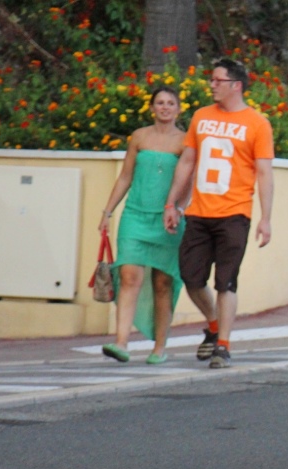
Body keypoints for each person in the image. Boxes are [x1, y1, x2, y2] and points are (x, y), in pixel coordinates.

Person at [163, 57, 274, 369]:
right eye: (211, 80)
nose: (212, 85)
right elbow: (187, 162)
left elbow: (264, 172)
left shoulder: (257, 123)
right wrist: (172, 204)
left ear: (235, 85)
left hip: (235, 213)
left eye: (218, 80)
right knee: (190, 276)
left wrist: (265, 218)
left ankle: (222, 345)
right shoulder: (201, 117)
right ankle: (213, 324)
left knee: (226, 282)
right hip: (199, 211)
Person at [98, 85, 188, 364]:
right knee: (128, 276)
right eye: (159, 103)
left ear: (178, 109)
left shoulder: (186, 141)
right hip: (135, 215)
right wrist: (108, 211)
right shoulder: (139, 136)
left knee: (163, 282)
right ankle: (121, 342)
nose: (164, 107)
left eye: (170, 103)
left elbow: (188, 180)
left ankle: (159, 347)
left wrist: (179, 209)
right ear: (151, 108)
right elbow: (125, 176)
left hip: (167, 219)